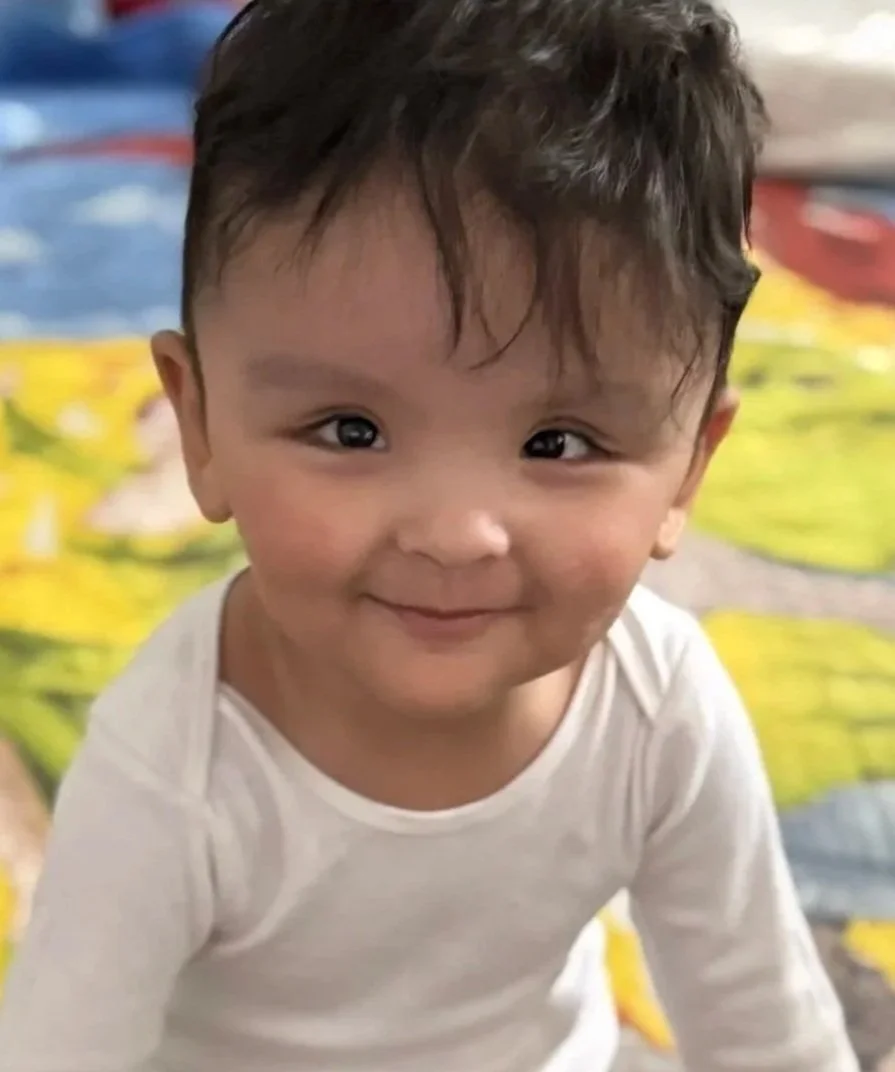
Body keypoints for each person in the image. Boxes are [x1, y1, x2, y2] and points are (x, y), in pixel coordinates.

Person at [0, 1, 860, 1070]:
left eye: (558, 441)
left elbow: (764, 1027)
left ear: (689, 463)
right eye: (350, 429)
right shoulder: (178, 763)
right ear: (200, 422)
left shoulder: (658, 708)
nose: (457, 535)